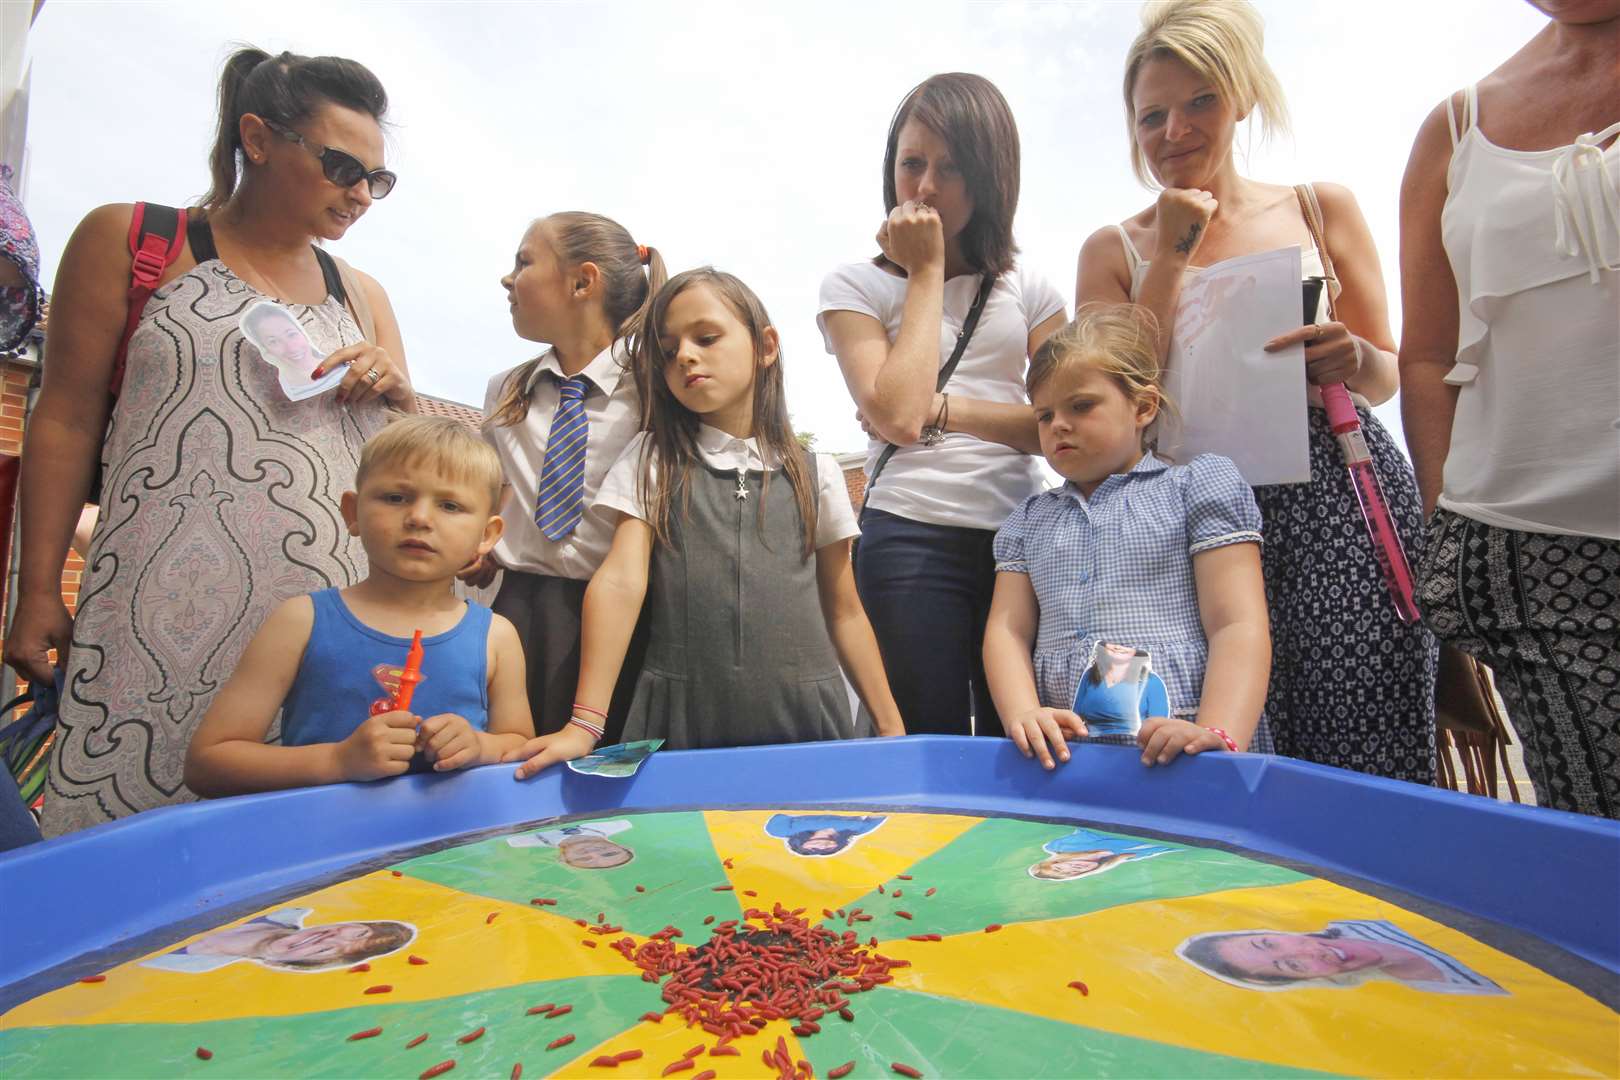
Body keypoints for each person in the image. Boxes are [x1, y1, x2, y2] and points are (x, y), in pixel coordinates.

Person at [4, 49, 416, 836]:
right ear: (257, 139)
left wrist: (397, 394)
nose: (360, 194)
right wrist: (33, 592)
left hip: (320, 626)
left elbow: (404, 468)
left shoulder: (363, 297)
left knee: (297, 872)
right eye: (340, 166)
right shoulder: (132, 241)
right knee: (119, 859)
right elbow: (63, 418)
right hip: (145, 622)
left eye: (377, 179)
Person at [1075, 0, 1436, 784]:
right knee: (1205, 735)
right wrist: (1172, 255)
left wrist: (1352, 356)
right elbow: (1106, 388)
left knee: (1363, 713)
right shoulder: (1113, 247)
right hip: (1185, 506)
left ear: (1239, 98)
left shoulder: (1319, 206)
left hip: (1334, 487)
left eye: (1200, 101)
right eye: (1151, 116)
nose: (1176, 131)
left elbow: (1390, 370)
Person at [507, 269, 904, 775]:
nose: (686, 356)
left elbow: (844, 610)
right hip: (678, 726)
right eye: (669, 351)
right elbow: (622, 580)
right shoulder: (653, 458)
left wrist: (891, 728)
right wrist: (584, 724)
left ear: (766, 346)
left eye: (707, 337)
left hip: (808, 727)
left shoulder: (817, 473)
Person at [1399, 2, 1618, 818]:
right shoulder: (1457, 127)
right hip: (1532, 562)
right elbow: (1426, 353)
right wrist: (1444, 526)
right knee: (1598, 854)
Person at [819, 72, 1067, 739]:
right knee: (922, 736)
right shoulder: (853, 285)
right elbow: (898, 415)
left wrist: (948, 410)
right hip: (908, 530)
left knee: (1026, 738)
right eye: (911, 163)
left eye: (951, 167)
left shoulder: (1032, 287)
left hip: (1020, 533)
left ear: (991, 176)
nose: (924, 186)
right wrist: (926, 271)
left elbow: (1066, 428)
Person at [982, 306, 1270, 770]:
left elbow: (1236, 622)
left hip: (1186, 746)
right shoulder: (1027, 521)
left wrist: (1218, 732)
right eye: (1045, 414)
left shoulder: (1196, 487)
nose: (1058, 424)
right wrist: (1023, 712)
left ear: (1143, 406)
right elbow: (1007, 631)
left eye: (1081, 405)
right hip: (1067, 757)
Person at [185, 418, 533, 794]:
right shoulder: (300, 621)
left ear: (487, 535)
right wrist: (339, 761)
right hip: (323, 841)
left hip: (451, 848)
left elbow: (519, 745)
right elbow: (208, 764)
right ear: (352, 512)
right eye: (395, 498)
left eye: (449, 505)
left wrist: (479, 746)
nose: (419, 518)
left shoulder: (497, 637)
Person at [462, 213, 665, 743]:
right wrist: (479, 544)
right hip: (518, 613)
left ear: (582, 281)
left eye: (524, 262)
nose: (509, 279)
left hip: (625, 618)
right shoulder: (507, 390)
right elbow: (497, 490)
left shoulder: (658, 388)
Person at [1177, 920, 1506, 995]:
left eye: (1269, 943)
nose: (1306, 950)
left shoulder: (1377, 916)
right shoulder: (1436, 997)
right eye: (1292, 965)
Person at [139, 908, 414, 974]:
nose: (329, 936)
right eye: (356, 932)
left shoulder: (184, 967)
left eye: (326, 949)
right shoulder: (293, 911)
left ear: (289, 966)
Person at [1028, 826, 1174, 881]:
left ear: (1056, 861)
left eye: (1059, 869)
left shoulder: (1061, 845)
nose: (1073, 869)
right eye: (1069, 874)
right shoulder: (1133, 856)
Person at [507, 819, 635, 868]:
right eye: (609, 853)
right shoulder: (621, 821)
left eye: (584, 858)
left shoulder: (519, 840)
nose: (592, 852)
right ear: (622, 846)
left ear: (563, 859)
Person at [764, 813, 888, 857]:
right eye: (827, 850)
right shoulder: (858, 830)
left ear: (797, 845)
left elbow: (779, 808)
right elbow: (880, 812)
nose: (820, 848)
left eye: (811, 850)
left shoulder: (781, 831)